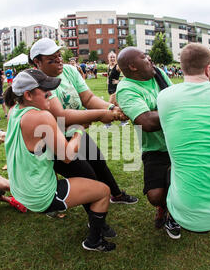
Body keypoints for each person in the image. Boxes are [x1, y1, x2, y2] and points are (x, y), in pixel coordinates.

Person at [3, 69, 116, 252]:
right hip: (40, 195)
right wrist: (79, 130)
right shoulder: (41, 116)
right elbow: (68, 156)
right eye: (46, 92)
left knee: (88, 176)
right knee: (103, 191)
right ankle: (94, 241)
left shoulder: (14, 111)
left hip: (21, 190)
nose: (50, 96)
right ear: (28, 95)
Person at [28, 38, 138, 208]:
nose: (59, 60)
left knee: (98, 162)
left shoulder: (69, 71)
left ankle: (115, 195)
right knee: (86, 177)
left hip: (75, 130)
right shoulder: (38, 82)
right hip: (54, 139)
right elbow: (61, 116)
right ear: (37, 62)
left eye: (59, 55)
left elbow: (88, 98)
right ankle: (96, 223)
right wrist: (102, 114)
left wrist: (112, 109)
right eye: (52, 58)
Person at [157, 43, 210, 238]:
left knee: (173, 167)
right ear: (208, 68)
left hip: (184, 210)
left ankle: (172, 220)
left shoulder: (164, 98)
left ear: (182, 67)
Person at [116, 47, 173, 231]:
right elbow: (146, 122)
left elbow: (174, 98)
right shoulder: (126, 89)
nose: (149, 58)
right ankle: (164, 206)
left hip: (179, 143)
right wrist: (179, 111)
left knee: (184, 181)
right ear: (133, 66)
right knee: (155, 196)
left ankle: (176, 211)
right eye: (144, 57)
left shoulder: (159, 74)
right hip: (155, 148)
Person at [106, 51, 127, 128]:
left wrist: (119, 81)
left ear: (116, 58)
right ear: (108, 58)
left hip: (116, 88)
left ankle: (108, 123)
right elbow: (109, 75)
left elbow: (126, 74)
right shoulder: (108, 66)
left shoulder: (118, 66)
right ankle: (124, 121)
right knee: (118, 105)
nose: (112, 59)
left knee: (109, 105)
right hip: (110, 88)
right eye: (111, 57)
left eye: (113, 57)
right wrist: (107, 80)